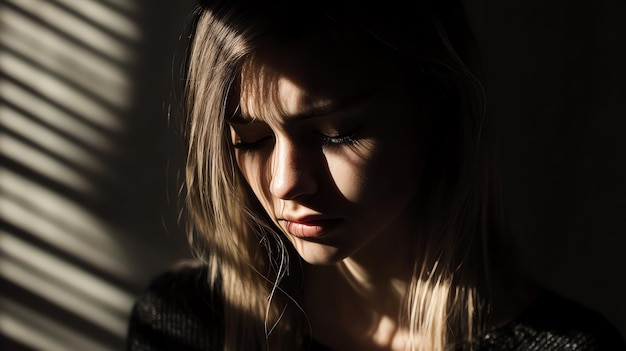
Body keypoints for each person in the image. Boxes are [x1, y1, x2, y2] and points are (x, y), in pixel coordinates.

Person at [126, 0, 626, 350]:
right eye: (251, 140)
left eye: (336, 133)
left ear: (434, 108)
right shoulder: (187, 326)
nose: (284, 184)